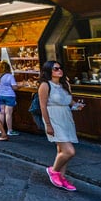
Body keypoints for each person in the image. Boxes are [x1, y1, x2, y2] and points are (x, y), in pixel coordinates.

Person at [39, 61, 85, 191]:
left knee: (61, 150)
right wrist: (48, 124)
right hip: (53, 118)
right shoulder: (45, 85)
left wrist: (76, 105)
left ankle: (62, 177)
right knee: (69, 151)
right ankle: (53, 171)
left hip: (66, 117)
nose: (59, 70)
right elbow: (43, 106)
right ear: (49, 71)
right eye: (56, 68)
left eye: (60, 68)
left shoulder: (65, 84)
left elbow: (69, 101)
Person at [0, 61, 19, 136]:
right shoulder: (10, 76)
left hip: (0, 95)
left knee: (1, 113)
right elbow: (14, 87)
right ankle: (9, 130)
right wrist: (19, 85)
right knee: (8, 114)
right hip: (9, 96)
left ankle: (1, 129)